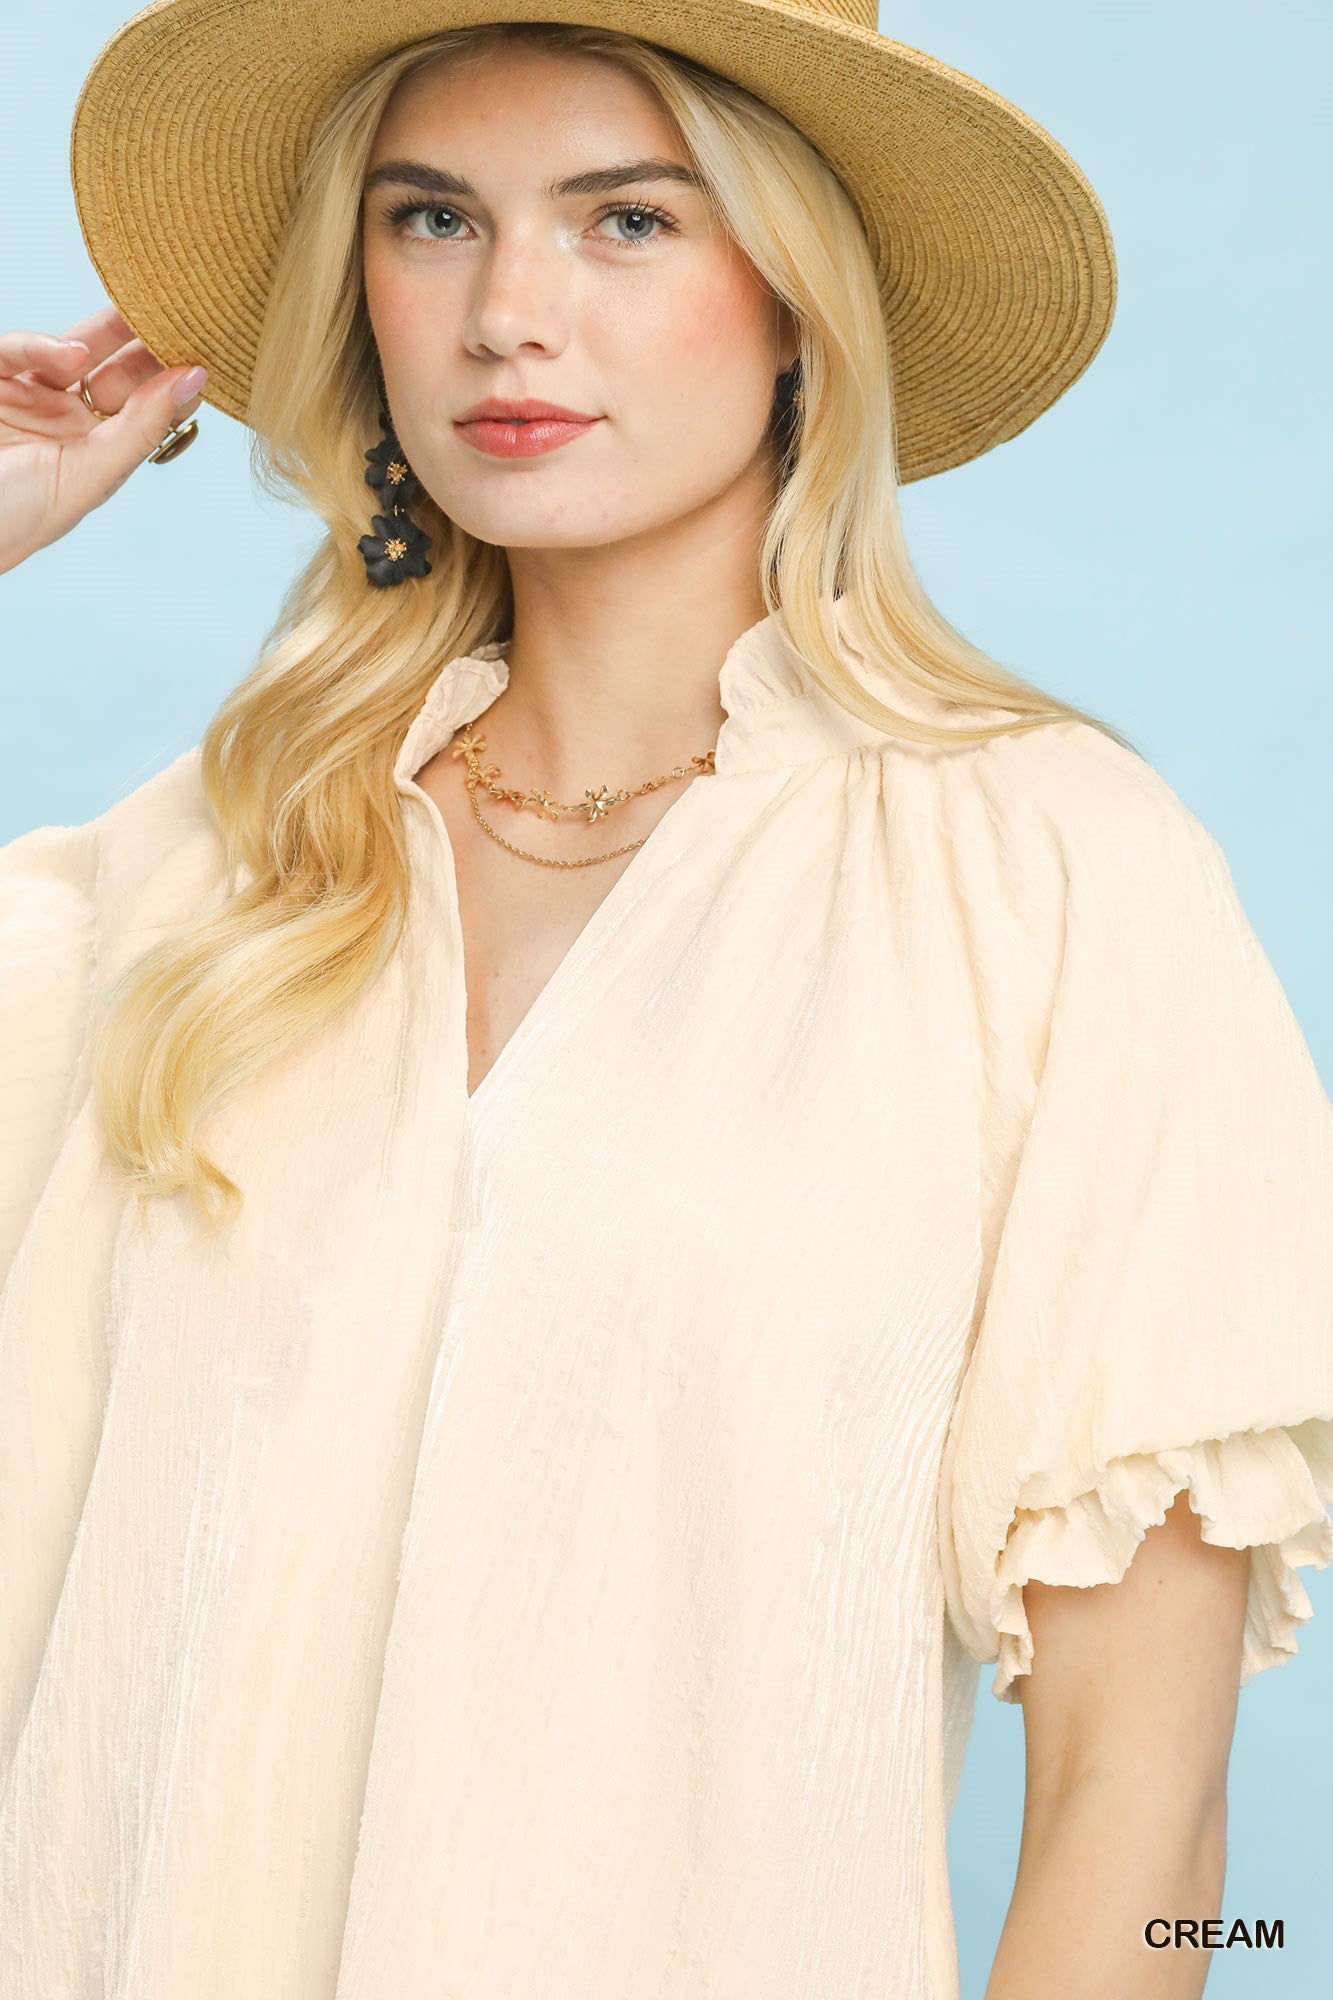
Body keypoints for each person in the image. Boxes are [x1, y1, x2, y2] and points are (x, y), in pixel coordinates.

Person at [1, 8, 1330, 1998]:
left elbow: (1141, 1816)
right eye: (432, 219)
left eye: (626, 222)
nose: (506, 312)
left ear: (798, 296)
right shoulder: (201, 877)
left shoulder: (1046, 877)